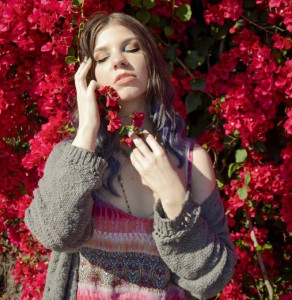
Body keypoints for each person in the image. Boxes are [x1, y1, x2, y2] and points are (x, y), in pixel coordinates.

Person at [25, 12, 237, 300]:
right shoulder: (72, 158)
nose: (119, 60)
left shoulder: (192, 162)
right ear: (90, 77)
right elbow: (57, 234)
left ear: (150, 62)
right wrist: (87, 129)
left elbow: (211, 280)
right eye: (102, 57)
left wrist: (173, 197)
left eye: (132, 48)